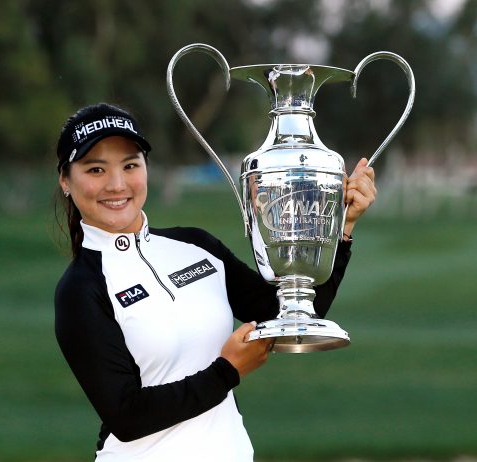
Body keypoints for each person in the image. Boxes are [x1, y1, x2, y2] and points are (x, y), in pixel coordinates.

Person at [54, 102, 376, 462]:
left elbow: (289, 315)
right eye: (95, 169)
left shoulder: (196, 246)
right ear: (66, 180)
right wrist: (226, 372)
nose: (116, 185)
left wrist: (341, 228)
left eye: (130, 165)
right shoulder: (81, 289)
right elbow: (127, 416)